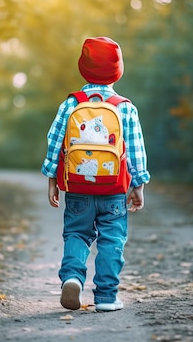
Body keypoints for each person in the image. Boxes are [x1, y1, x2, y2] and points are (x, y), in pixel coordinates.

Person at [41, 36, 150, 312]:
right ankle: (106, 297)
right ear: (118, 71)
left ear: (83, 68)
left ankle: (73, 278)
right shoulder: (125, 107)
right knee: (112, 239)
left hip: (77, 187)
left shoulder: (70, 104)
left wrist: (53, 178)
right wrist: (138, 184)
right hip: (113, 189)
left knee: (77, 234)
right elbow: (136, 150)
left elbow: (54, 142)